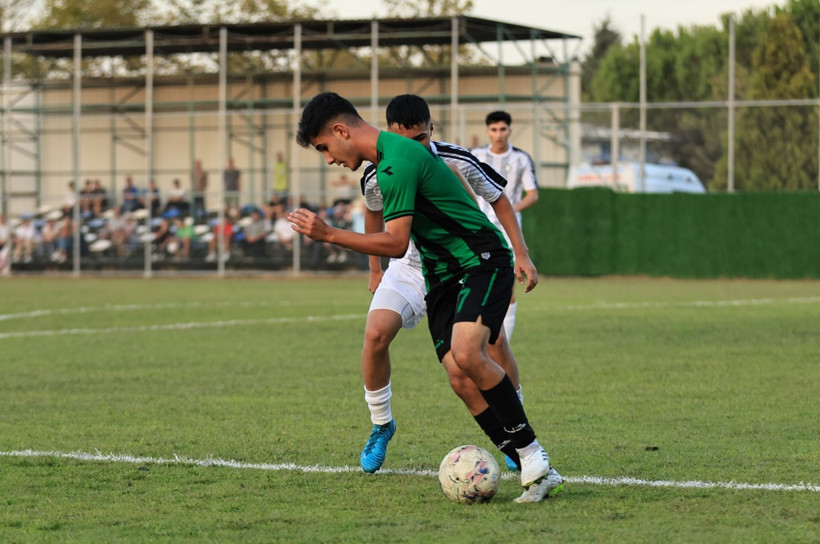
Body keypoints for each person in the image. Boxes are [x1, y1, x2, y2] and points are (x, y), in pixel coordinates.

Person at [289, 91, 559, 503]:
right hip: (441, 274)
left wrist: (328, 234)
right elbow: (390, 231)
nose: (328, 158)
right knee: (458, 376)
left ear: (341, 130)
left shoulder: (396, 160)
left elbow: (396, 243)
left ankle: (533, 456)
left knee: (471, 353)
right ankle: (529, 465)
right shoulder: (383, 164)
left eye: (325, 146)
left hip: (480, 259)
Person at [357, 94, 555, 481]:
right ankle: (382, 425)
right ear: (390, 135)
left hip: (464, 261)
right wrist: (375, 269)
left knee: (489, 346)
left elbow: (497, 199)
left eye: (421, 138)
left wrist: (520, 253)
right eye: (405, 140)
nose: (415, 147)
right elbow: (373, 209)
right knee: (376, 334)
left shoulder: (455, 159)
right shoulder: (377, 171)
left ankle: (518, 434)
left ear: (432, 129)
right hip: (409, 267)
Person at [472, 111, 540, 341]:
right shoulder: (476, 155)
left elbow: (533, 195)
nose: (498, 134)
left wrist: (510, 211)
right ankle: (475, 339)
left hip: (508, 233)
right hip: (478, 229)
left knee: (506, 288)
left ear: (509, 131)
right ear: (487, 131)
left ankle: (502, 345)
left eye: (502, 129)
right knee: (474, 284)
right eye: (494, 129)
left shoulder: (521, 159)